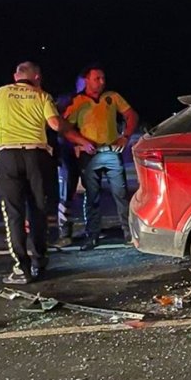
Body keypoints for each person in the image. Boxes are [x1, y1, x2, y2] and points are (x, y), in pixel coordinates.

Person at [0, 62, 95, 283]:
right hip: (37, 156)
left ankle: (22, 269)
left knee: (14, 213)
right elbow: (54, 124)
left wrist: (1, 130)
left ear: (15, 76)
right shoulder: (42, 95)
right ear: (37, 77)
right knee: (39, 210)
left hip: (8, 156)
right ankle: (40, 261)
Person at [64, 65, 139, 250]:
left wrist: (125, 136)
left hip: (111, 152)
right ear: (86, 80)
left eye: (103, 78)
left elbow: (131, 115)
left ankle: (130, 233)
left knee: (121, 194)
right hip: (89, 155)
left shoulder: (112, 97)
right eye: (97, 78)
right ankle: (92, 235)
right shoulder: (78, 101)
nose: (102, 82)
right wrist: (81, 141)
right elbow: (65, 127)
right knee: (92, 196)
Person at [54, 75, 87, 247]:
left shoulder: (97, 101)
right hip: (67, 152)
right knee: (65, 193)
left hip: (84, 152)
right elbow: (58, 126)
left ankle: (91, 228)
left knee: (91, 191)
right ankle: (64, 232)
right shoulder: (68, 101)